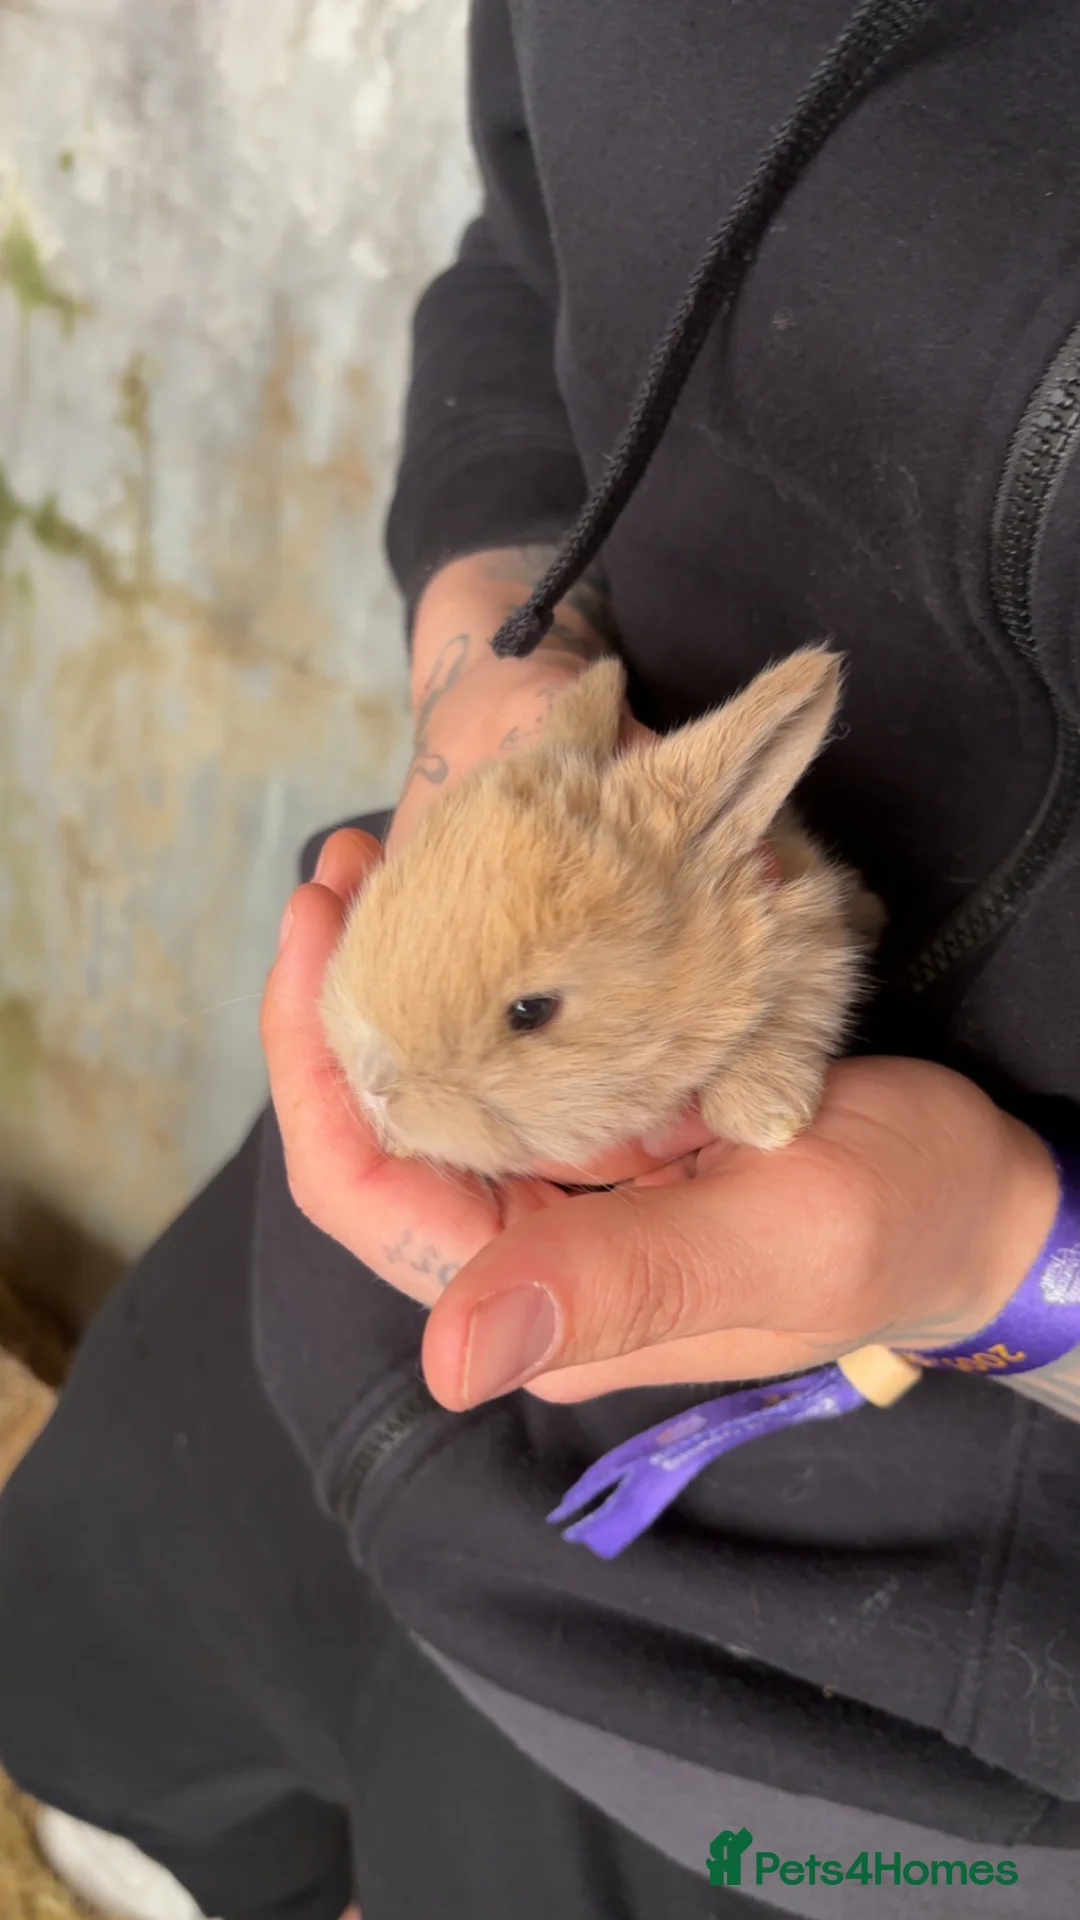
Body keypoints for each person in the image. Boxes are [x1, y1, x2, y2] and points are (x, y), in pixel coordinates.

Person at [2, 0, 1080, 1914]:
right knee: (91, 1715)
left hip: (864, 1706)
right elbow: (532, 242)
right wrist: (495, 626)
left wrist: (1021, 1267)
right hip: (339, 1336)